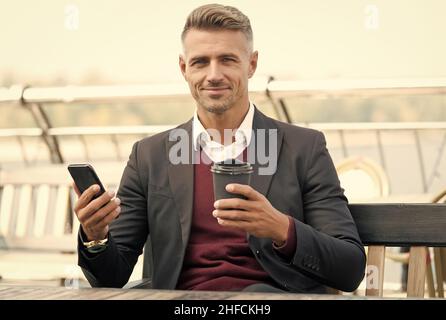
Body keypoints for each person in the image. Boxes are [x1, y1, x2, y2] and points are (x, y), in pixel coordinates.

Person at [74, 3, 366, 293]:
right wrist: (95, 236)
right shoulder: (149, 156)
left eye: (227, 60)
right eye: (200, 62)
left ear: (251, 64)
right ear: (183, 68)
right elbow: (110, 278)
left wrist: (281, 228)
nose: (213, 75)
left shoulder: (304, 148)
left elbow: (350, 268)